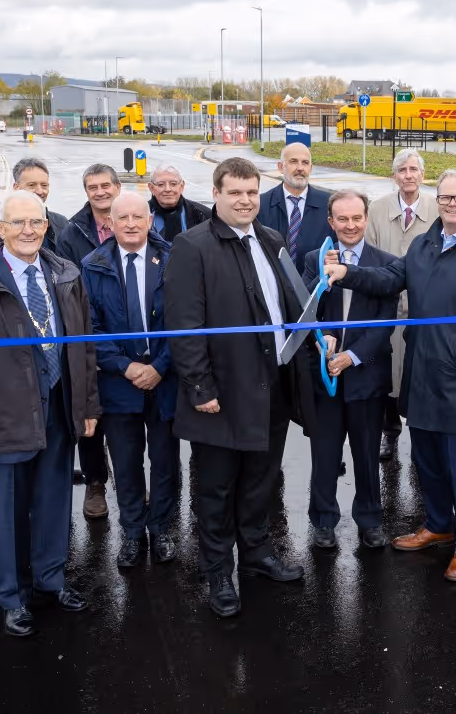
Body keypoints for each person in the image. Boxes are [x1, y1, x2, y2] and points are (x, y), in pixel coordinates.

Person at [324, 169, 456, 582]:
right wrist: (348, 274)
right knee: (426, 459)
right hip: (421, 373)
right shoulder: (423, 245)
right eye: (445, 198)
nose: (451, 205)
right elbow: (391, 279)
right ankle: (438, 523)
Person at [0, 190, 101, 637]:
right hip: (3, 419)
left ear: (47, 226)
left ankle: (51, 580)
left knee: (53, 504)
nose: (28, 231)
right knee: (9, 515)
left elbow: (83, 346)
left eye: (36, 223)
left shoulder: (67, 274)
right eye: (17, 224)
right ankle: (12, 597)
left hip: (59, 409)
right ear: (0, 229)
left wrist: (87, 406)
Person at [165, 157, 318, 618]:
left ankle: (255, 555)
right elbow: (184, 323)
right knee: (215, 488)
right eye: (236, 192)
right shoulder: (191, 246)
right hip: (221, 394)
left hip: (271, 386)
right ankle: (217, 571)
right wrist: (199, 386)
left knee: (260, 481)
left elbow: (288, 306)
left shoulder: (271, 240)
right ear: (216, 194)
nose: (246, 200)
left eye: (252, 192)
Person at [80, 192, 180, 567]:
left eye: (139, 216)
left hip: (165, 381)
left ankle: (162, 530)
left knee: (165, 461)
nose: (132, 224)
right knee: (125, 463)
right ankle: (133, 533)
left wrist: (160, 366)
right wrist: (125, 367)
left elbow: (183, 321)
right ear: (111, 223)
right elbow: (90, 329)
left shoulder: (172, 259)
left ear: (150, 219)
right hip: (119, 385)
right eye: (123, 218)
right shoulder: (93, 265)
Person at [301, 190, 397, 550]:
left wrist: (352, 356)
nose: (350, 225)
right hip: (324, 375)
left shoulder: (384, 263)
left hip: (366, 377)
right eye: (342, 219)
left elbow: (384, 323)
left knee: (367, 453)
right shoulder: (315, 258)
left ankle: (370, 520)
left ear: (366, 218)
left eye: (357, 218)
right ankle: (323, 521)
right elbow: (307, 307)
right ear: (331, 222)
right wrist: (322, 338)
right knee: (324, 454)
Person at [364, 148, 438, 460]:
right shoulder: (377, 209)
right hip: (387, 306)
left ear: (422, 174)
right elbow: (368, 256)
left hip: (425, 308)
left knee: (421, 374)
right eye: (402, 170)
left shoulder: (438, 208)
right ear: (394, 176)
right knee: (387, 373)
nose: (408, 175)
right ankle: (389, 432)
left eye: (413, 169)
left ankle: (423, 436)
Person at [57, 163, 121, 518]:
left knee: (130, 418)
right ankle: (96, 482)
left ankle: (131, 480)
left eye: (105, 185)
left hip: (127, 333)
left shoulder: (134, 217)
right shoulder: (72, 231)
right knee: (89, 414)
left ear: (117, 186)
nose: (100, 192)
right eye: (92, 187)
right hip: (87, 329)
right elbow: (69, 283)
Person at [257, 143, 333, 275]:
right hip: (274, 288)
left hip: (315, 288)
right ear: (281, 167)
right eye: (293, 162)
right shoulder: (261, 204)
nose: (300, 168)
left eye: (305, 163)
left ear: (310, 168)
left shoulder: (329, 204)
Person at [11, 156, 69, 254]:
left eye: (44, 185)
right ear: (16, 187)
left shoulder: (61, 223)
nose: (39, 191)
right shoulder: (3, 224)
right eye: (32, 185)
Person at [148, 164, 212, 242]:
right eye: (161, 184)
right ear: (151, 188)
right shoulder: (140, 214)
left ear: (181, 186)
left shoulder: (203, 215)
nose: (168, 189)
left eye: (173, 184)